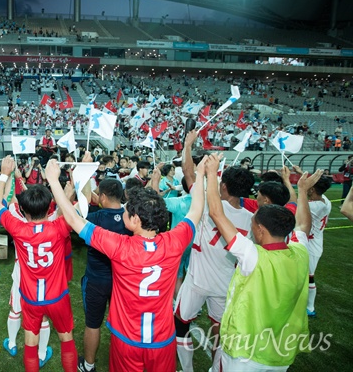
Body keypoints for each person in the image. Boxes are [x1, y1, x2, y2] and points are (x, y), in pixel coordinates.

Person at [47, 153, 208, 372]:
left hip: (127, 339)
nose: (124, 208)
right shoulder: (176, 241)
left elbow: (74, 219)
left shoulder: (120, 247)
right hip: (162, 339)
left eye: (127, 208)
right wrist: (201, 177)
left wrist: (54, 181)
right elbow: (196, 209)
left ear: (135, 220)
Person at [206, 155, 322, 371]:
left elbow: (216, 213)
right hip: (281, 353)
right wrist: (302, 190)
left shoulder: (252, 256)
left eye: (253, 224)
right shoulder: (300, 251)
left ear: (260, 230)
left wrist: (212, 173)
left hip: (244, 352)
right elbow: (304, 225)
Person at [0, 157, 77, 372]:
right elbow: (67, 210)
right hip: (57, 296)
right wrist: (70, 184)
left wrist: (4, 174)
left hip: (30, 297)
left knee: (30, 342)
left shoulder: (17, 228)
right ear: (48, 206)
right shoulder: (58, 227)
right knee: (67, 340)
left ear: (24, 211)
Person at [174, 163, 255, 372]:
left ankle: (187, 369)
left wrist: (190, 144)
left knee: (180, 324)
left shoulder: (209, 206)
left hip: (197, 281)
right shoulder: (252, 220)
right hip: (225, 285)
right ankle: (216, 368)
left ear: (224, 186)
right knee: (220, 331)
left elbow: (189, 174)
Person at [78, 178, 131, 372]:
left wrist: (83, 178)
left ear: (102, 196)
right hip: (123, 281)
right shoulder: (131, 218)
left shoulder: (96, 217)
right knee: (122, 324)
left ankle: (89, 365)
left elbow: (81, 209)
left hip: (96, 281)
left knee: (93, 324)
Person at [305, 176, 332, 317]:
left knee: (309, 277)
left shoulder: (312, 206)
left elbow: (295, 203)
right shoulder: (326, 201)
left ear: (313, 189)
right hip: (316, 243)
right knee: (305, 276)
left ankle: (310, 308)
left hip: (311, 246)